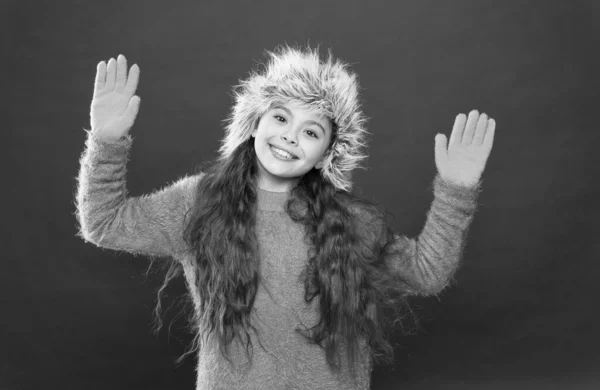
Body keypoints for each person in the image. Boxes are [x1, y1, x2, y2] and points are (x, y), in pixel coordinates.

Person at [74, 43, 495, 390]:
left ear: (326, 154)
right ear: (254, 124)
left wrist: (455, 192)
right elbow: (104, 222)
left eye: (312, 131)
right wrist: (108, 140)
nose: (291, 136)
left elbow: (427, 272)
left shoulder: (350, 221)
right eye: (280, 117)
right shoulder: (199, 202)